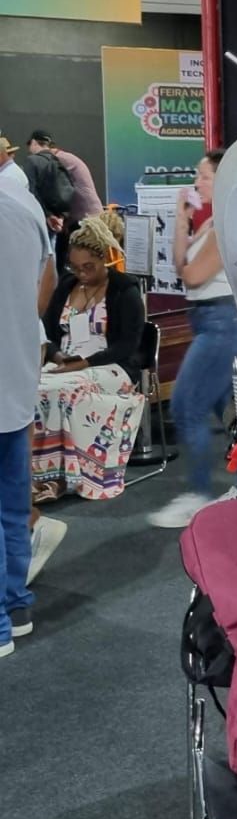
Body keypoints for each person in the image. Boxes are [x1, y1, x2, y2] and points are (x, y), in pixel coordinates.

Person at [148, 148, 237, 529]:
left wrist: (188, 265)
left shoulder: (229, 225)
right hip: (210, 321)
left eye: (204, 176)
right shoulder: (211, 223)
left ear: (223, 179)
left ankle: (200, 494)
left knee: (185, 406)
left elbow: (191, 277)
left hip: (223, 323)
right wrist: (182, 219)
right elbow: (181, 265)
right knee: (234, 417)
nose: (196, 182)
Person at [34, 212, 147, 503]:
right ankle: (39, 474)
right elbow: (48, 330)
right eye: (75, 267)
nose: (82, 273)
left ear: (104, 259)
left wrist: (83, 363)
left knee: (66, 391)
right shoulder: (66, 286)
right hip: (66, 363)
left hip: (112, 366)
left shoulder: (125, 290)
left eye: (88, 267)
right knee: (34, 387)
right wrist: (59, 356)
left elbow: (127, 345)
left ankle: (65, 475)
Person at [0, 168, 53, 657]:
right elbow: (44, 283)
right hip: (16, 380)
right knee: (13, 508)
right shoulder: (25, 207)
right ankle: (15, 607)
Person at [28, 131, 104, 276]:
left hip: (84, 218)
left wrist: (52, 215)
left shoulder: (56, 160)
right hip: (89, 215)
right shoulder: (65, 157)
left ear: (34, 143)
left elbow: (55, 191)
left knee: (60, 257)